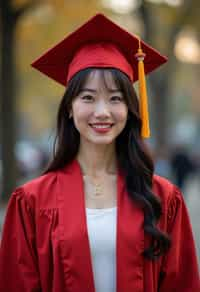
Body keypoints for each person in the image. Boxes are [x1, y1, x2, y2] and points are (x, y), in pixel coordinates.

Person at [0, 13, 199, 292]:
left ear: (129, 109)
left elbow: (182, 284)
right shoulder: (31, 202)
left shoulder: (163, 199)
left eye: (115, 98)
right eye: (88, 97)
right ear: (70, 108)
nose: (102, 112)